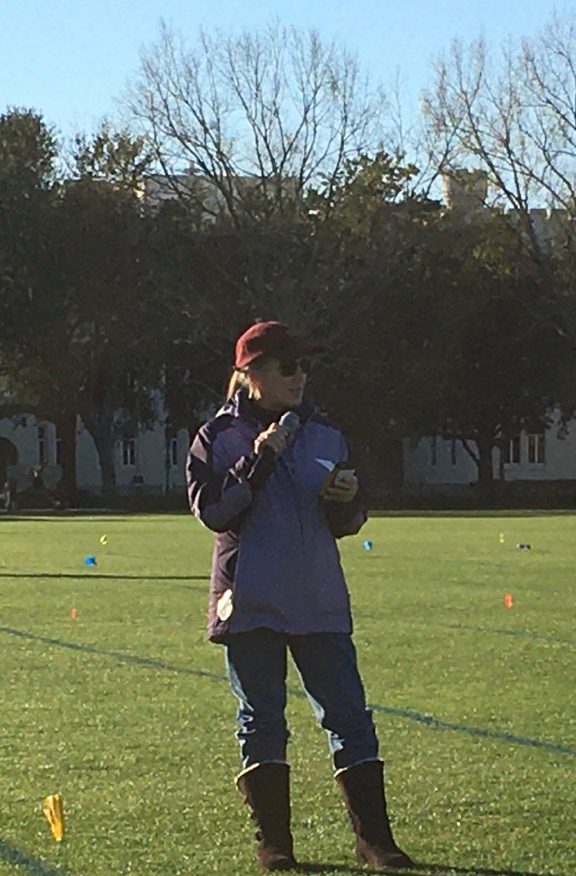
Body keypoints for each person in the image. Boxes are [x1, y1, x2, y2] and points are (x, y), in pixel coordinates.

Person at [185, 320, 413, 870]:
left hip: (318, 598)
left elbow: (346, 520)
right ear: (251, 373)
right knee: (261, 720)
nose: (300, 376)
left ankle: (375, 842)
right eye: (288, 366)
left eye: (305, 366)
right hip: (251, 600)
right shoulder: (216, 438)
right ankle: (276, 846)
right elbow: (213, 510)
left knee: (350, 716)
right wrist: (260, 458)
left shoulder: (325, 433)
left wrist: (346, 500)